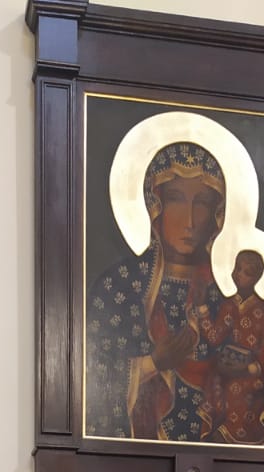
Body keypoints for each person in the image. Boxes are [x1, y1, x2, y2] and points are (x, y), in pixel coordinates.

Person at [86, 141, 226, 441]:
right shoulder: (119, 286)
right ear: (154, 205)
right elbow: (92, 376)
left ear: (217, 213)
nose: (189, 221)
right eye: (175, 200)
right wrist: (152, 364)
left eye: (202, 203)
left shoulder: (224, 295)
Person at [195, 248, 264, 445]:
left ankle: (231, 437)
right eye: (237, 269)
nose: (238, 275)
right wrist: (202, 307)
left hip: (252, 375)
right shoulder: (230, 306)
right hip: (228, 368)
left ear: (256, 278)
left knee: (239, 391)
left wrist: (248, 368)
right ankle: (214, 436)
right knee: (213, 381)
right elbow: (215, 336)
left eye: (246, 272)